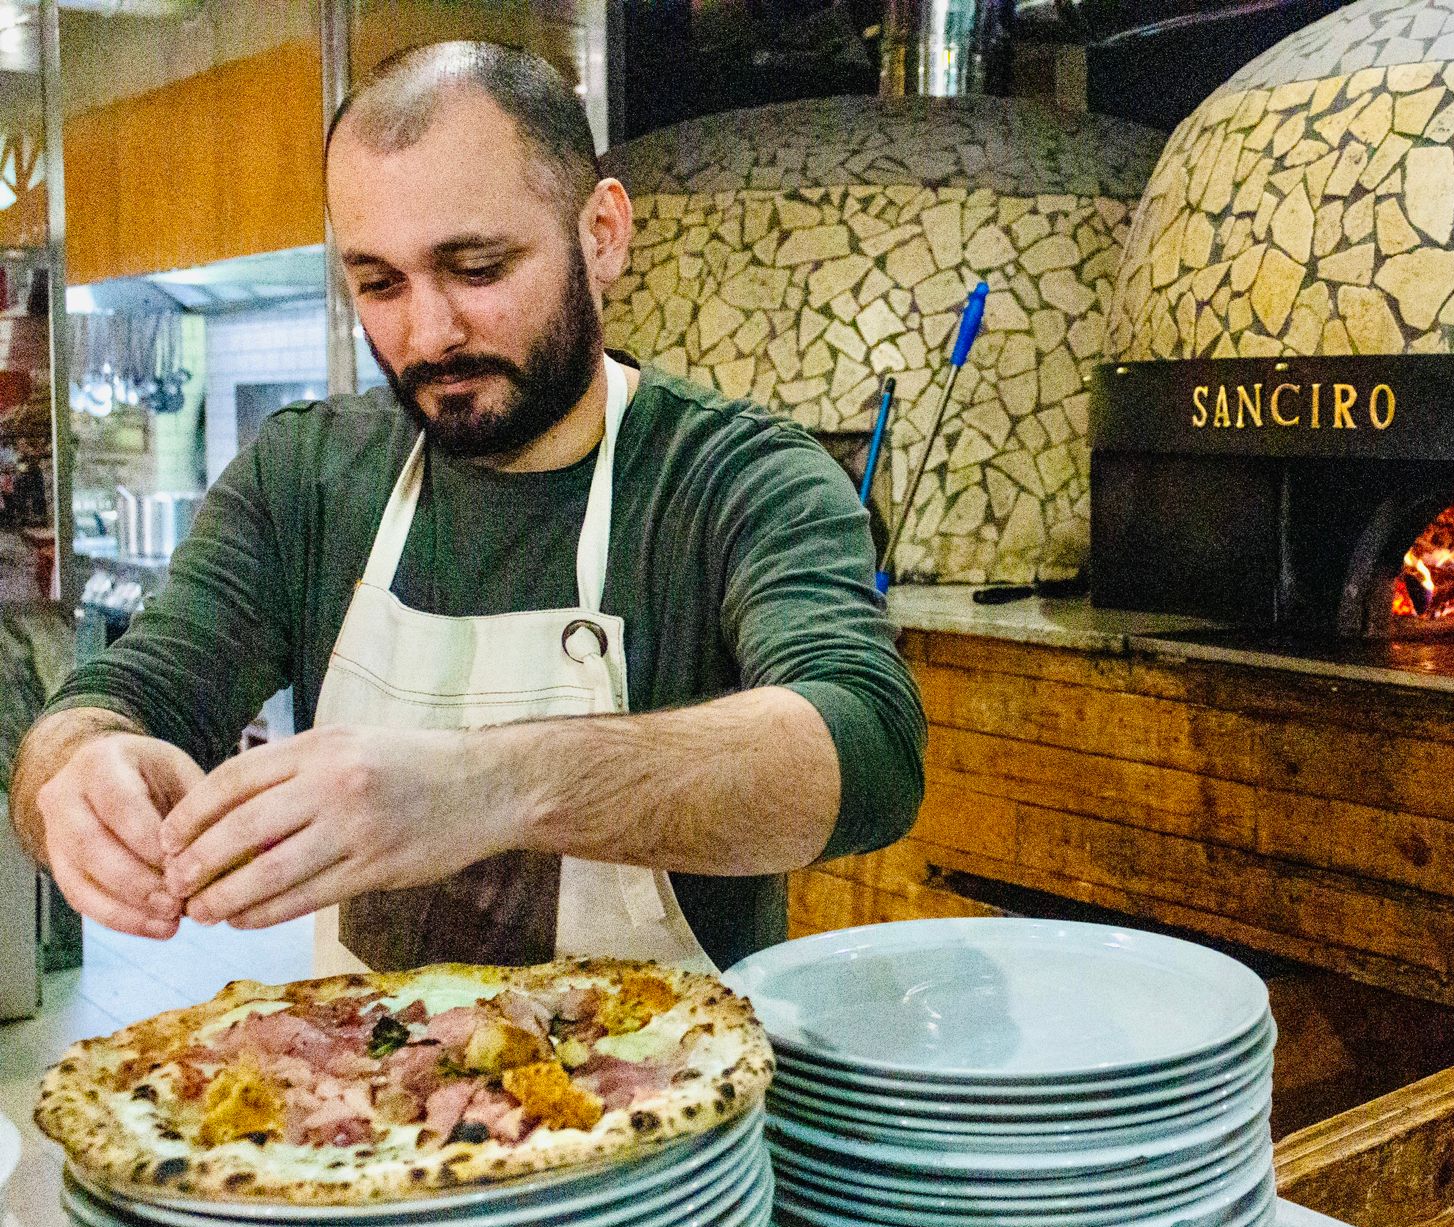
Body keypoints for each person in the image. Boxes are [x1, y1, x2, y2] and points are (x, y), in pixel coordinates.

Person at [7, 41, 924, 974]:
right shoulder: (306, 476)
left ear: (602, 234)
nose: (428, 333)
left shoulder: (735, 476)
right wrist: (77, 772)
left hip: (661, 1093)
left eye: (478, 268)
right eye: (379, 283)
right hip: (362, 1102)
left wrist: (492, 787)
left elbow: (868, 745)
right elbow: (120, 699)